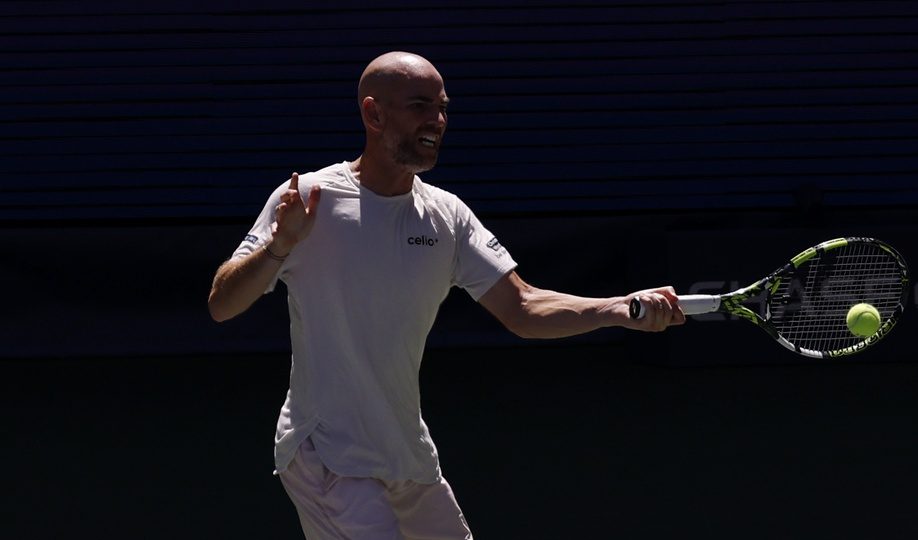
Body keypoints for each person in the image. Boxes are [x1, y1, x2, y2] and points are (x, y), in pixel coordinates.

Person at [208, 51, 684, 540]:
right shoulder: (308, 199)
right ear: (374, 115)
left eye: (442, 108)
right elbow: (222, 304)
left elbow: (522, 306)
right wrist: (278, 246)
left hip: (406, 454)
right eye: (419, 106)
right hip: (327, 456)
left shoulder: (448, 217)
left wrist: (617, 308)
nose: (436, 120)